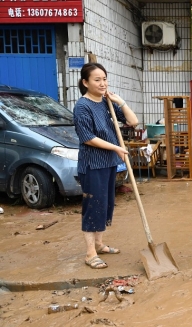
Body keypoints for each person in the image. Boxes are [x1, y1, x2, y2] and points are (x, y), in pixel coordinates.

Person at [73, 63, 139, 269]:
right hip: (92, 164)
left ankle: (100, 244)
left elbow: (133, 121)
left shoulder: (106, 103)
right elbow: (88, 138)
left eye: (104, 79)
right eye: (97, 79)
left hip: (109, 162)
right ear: (85, 82)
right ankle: (90, 253)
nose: (102, 84)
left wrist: (121, 102)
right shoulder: (82, 107)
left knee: (106, 204)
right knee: (93, 206)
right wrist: (117, 148)